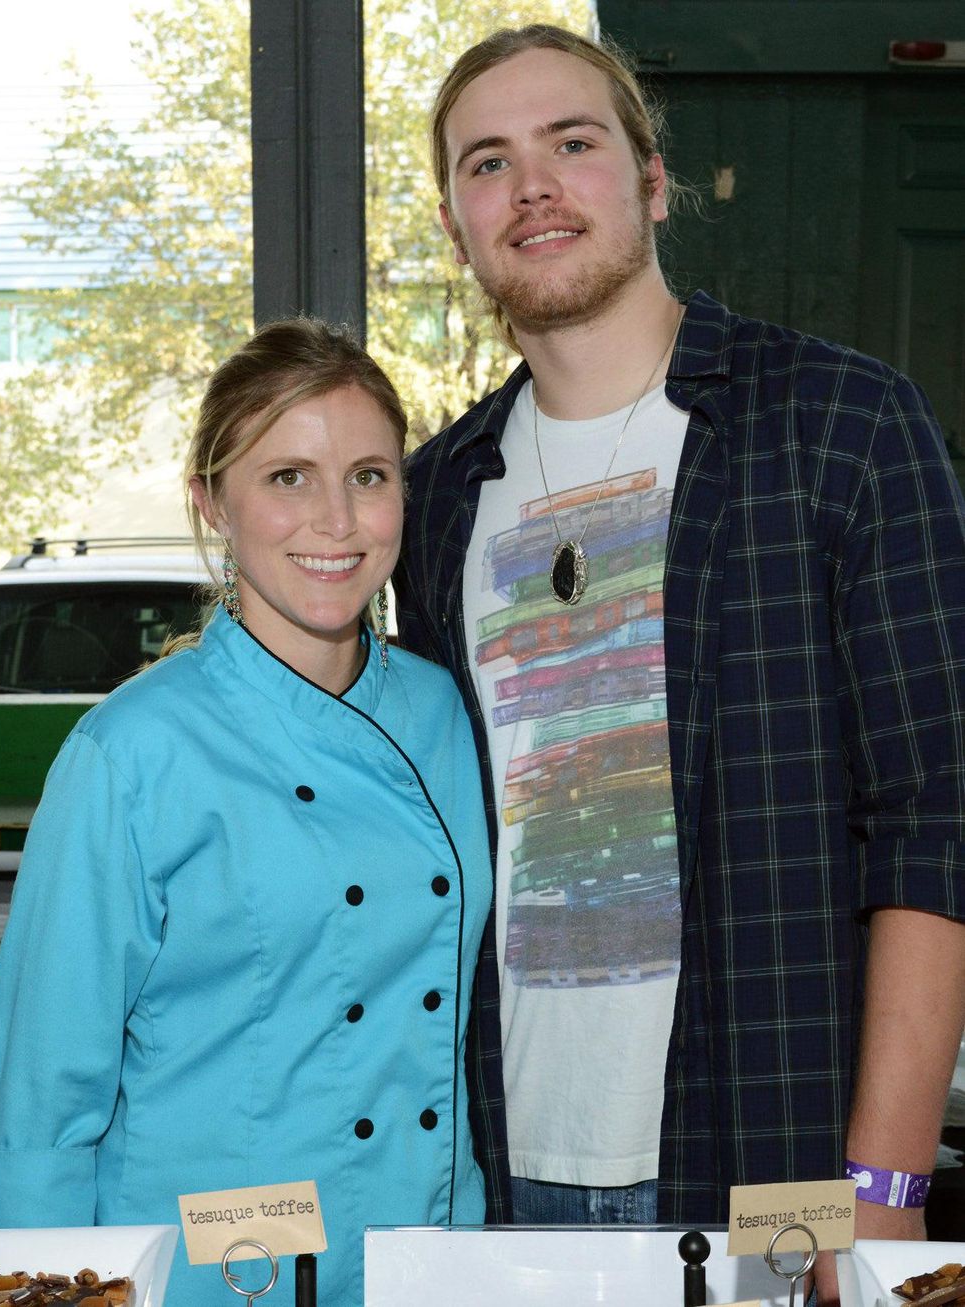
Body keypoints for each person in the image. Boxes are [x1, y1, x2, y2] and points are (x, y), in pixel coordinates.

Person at [393, 21, 965, 1297]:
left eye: (571, 143)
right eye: (487, 163)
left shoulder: (838, 425)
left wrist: (878, 1189)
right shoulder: (434, 497)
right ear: (454, 227)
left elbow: (932, 822)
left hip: (773, 1160)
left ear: (652, 181)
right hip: (495, 1170)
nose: (531, 186)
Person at [0, 318, 493, 1307]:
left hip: (423, 1253)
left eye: (369, 475)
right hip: (217, 1272)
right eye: (287, 476)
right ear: (211, 499)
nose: (336, 520)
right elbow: (39, 1094)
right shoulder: (131, 750)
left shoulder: (440, 710)